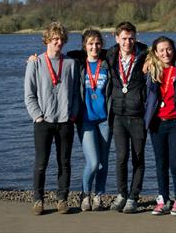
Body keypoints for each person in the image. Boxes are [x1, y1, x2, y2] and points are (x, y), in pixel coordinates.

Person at [24, 22, 80, 215]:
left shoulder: (71, 64)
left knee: (64, 162)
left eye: (61, 39)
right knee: (41, 163)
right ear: (47, 40)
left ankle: (62, 199)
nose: (58, 42)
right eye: (54, 39)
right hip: (43, 122)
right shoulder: (35, 62)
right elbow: (29, 94)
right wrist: (37, 116)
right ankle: (38, 200)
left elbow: (75, 94)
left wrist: (73, 115)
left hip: (65, 122)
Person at [144, 36, 176, 216]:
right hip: (157, 123)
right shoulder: (151, 70)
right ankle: (163, 198)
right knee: (160, 163)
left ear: (174, 49)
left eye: (169, 49)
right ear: (155, 53)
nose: (166, 53)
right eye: (161, 50)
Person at [106, 22, 149, 214]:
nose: (127, 42)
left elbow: (169, 53)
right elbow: (84, 55)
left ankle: (133, 197)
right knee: (121, 157)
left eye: (131, 38)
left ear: (136, 38)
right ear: (117, 38)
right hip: (118, 115)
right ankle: (122, 194)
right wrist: (37, 58)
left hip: (138, 115)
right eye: (123, 38)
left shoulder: (145, 55)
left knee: (138, 158)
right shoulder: (110, 55)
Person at [76, 29, 112, 212]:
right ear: (85, 45)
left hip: (105, 120)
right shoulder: (78, 64)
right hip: (86, 120)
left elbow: (140, 48)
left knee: (104, 162)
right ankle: (85, 193)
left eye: (97, 43)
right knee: (93, 161)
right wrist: (35, 60)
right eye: (90, 43)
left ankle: (98, 195)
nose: (94, 47)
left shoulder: (107, 64)